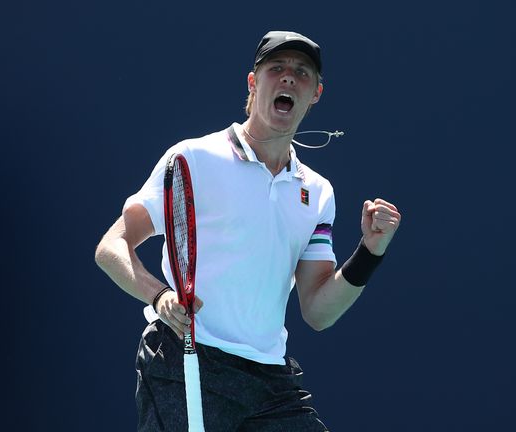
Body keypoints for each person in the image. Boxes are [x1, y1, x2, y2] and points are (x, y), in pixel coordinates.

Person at [95, 30, 401, 432]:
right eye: (277, 68)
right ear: (253, 83)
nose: (289, 77)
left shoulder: (318, 192)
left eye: (302, 73)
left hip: (270, 380)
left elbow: (318, 312)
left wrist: (370, 251)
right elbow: (111, 246)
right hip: (183, 360)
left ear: (316, 94)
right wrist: (161, 295)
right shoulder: (193, 158)